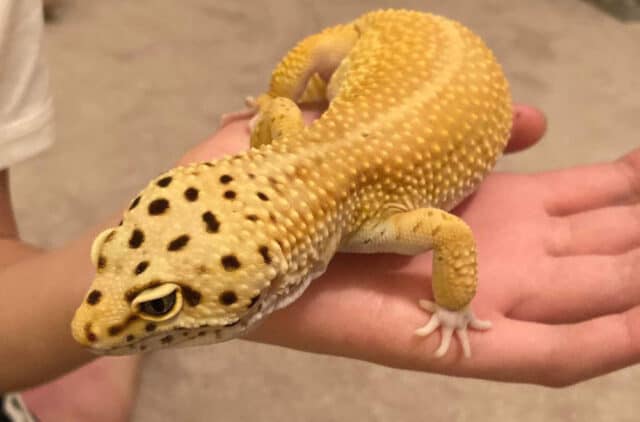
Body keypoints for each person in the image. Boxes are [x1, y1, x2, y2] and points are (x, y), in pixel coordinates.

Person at [2, 1, 639, 421]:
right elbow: (278, 113)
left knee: (303, 74)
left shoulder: (368, 222)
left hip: (396, 40)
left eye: (163, 302)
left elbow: (449, 233)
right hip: (401, 61)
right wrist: (276, 101)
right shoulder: (284, 147)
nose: (89, 318)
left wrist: (455, 305)